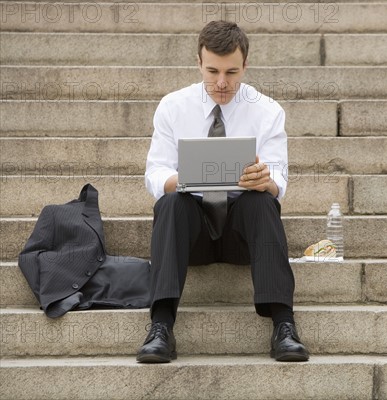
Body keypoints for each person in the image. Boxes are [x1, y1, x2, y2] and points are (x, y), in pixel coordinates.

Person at [137, 20, 309, 363]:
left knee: (262, 201)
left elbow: (279, 179)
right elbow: (155, 172)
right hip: (192, 231)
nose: (221, 83)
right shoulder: (173, 106)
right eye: (212, 70)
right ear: (198, 63)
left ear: (245, 65)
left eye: (231, 72)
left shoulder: (267, 111)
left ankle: (283, 325)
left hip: (242, 232)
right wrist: (182, 178)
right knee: (171, 203)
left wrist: (265, 180)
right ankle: (161, 327)